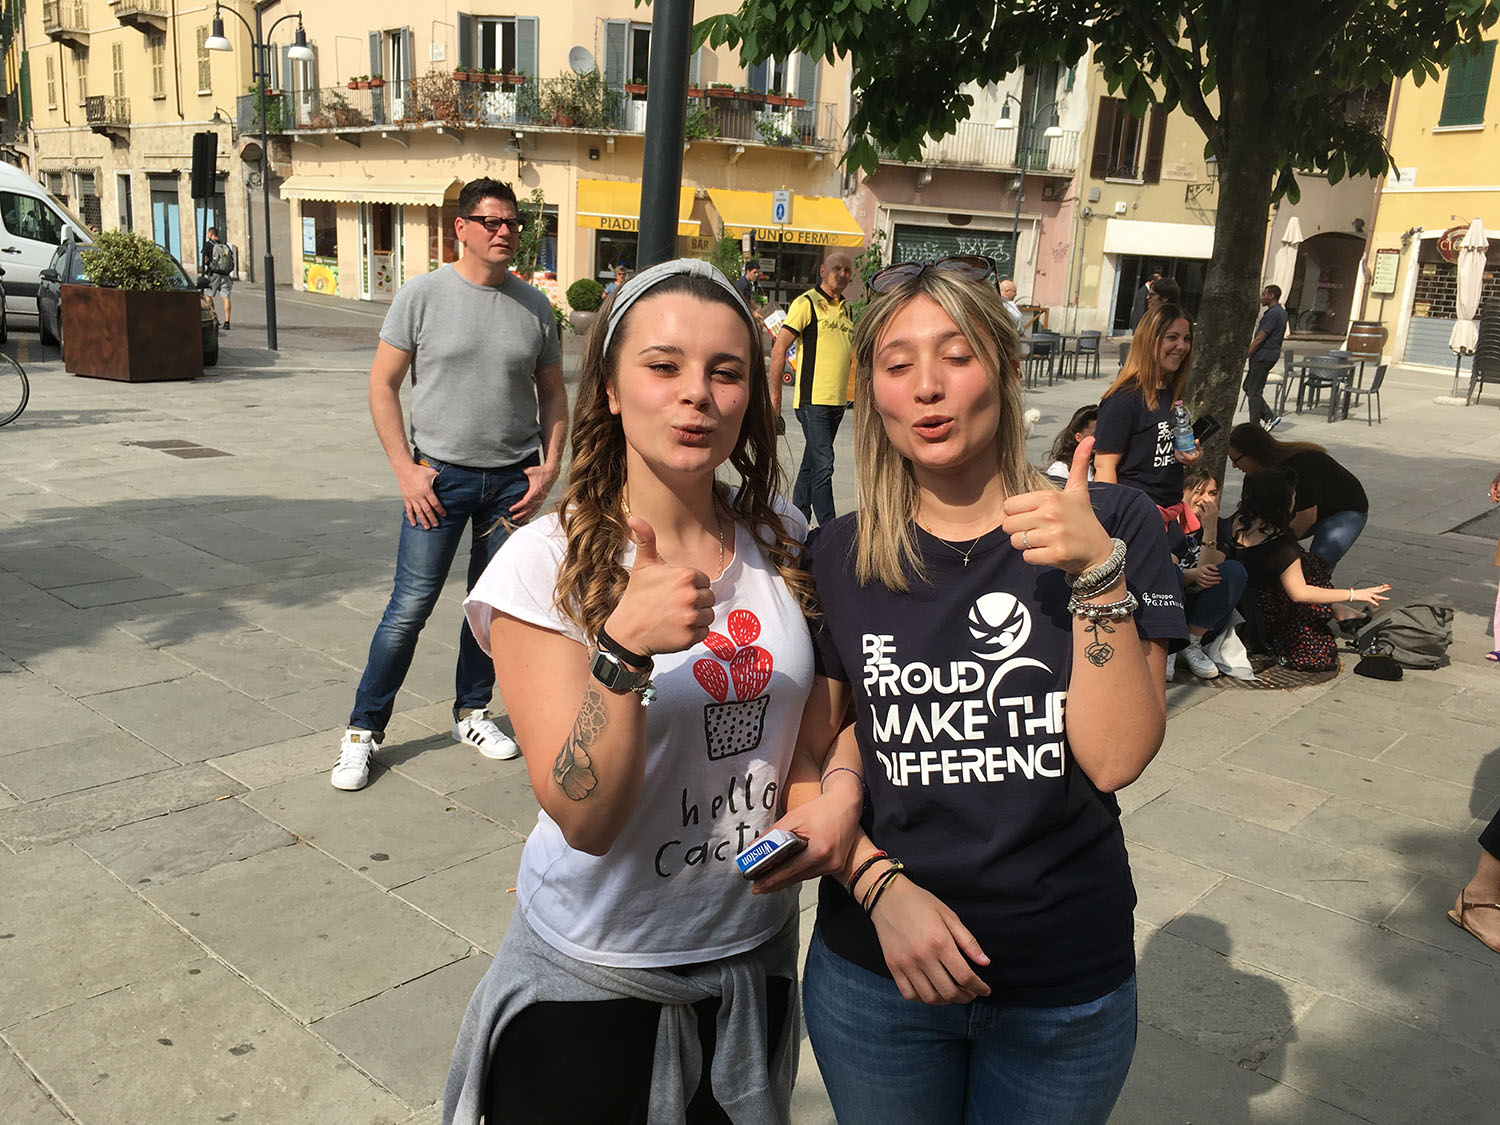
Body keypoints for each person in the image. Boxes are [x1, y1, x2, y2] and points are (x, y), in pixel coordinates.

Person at [441, 258, 836, 1124]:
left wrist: (826, 802)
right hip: (593, 982)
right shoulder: (541, 564)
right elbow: (583, 817)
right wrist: (622, 648)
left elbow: (810, 735)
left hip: (753, 961)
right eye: (664, 366)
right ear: (612, 391)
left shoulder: (784, 537)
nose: (697, 393)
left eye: (726, 372)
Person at [792, 259, 1186, 1123]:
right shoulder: (840, 555)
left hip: (1061, 983)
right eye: (897, 364)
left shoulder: (1115, 523)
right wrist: (880, 889)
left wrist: (1097, 574)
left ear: (1006, 369)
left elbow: (1116, 756)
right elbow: (812, 761)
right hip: (878, 978)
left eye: (957, 354)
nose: (927, 387)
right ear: (870, 393)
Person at [331, 177, 567, 792]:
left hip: (512, 482)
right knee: (409, 607)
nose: (505, 232)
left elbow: (552, 394)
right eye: (492, 221)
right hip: (438, 479)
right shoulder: (423, 296)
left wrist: (549, 467)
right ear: (461, 228)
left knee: (489, 608)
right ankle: (362, 730)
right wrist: (404, 470)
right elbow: (382, 385)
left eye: (512, 222)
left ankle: (472, 712)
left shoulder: (534, 306)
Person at [1224, 469, 1389, 672]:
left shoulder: (1238, 520)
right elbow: (1300, 593)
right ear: (1284, 501)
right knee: (1315, 653)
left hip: (1238, 597)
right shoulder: (1281, 544)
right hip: (1261, 612)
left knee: (1306, 563)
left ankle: (1338, 609)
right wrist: (1355, 594)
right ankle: (1338, 609)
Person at [1225, 423, 1370, 628]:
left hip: (1344, 510)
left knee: (1316, 563)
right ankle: (1337, 610)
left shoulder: (1303, 464)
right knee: (1283, 567)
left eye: (1236, 459)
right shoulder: (1253, 477)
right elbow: (1249, 514)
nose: (1234, 466)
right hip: (1303, 514)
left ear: (1255, 453)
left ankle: (1319, 614)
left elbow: (1306, 518)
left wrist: (1279, 553)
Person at [769, 250, 856, 527]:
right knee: (824, 465)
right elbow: (779, 349)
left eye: (847, 270)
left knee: (812, 466)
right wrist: (774, 400)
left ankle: (796, 522)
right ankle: (831, 529)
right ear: (822, 271)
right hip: (813, 401)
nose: (842, 274)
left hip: (837, 402)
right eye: (836, 268)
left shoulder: (848, 308)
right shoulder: (806, 303)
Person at [1093, 301, 1200, 514]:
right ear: (1149, 340)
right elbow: (1104, 467)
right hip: (1135, 516)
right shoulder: (1123, 399)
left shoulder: (1170, 392)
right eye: (1172, 337)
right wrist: (1114, 522)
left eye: (1186, 338)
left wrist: (1189, 454)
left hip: (1169, 514)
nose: (1182, 346)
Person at [1168, 469, 1247, 679]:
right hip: (1171, 604)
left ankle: (1191, 643)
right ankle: (1169, 644)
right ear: (1182, 492)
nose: (1206, 499)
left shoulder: (1219, 526)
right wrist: (1190, 575)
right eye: (1199, 491)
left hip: (1203, 612)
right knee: (1172, 573)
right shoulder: (1167, 523)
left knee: (1234, 571)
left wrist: (1210, 529)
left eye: (1212, 493)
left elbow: (1207, 573)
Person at [1243, 285, 1288, 427]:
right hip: (1267, 355)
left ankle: (1254, 426)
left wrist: (1247, 354)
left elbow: (1260, 338)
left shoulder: (1273, 314)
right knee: (1248, 386)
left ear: (1271, 296)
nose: (1261, 298)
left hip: (1263, 355)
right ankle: (1269, 416)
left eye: (1264, 295)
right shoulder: (1280, 312)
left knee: (1254, 391)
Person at [1045, 403, 1099, 480]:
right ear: (1079, 437)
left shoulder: (1104, 465)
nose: (1103, 438)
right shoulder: (1060, 471)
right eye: (1096, 434)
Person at [202, 226, 236, 331]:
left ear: (211, 234)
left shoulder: (208, 245)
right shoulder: (225, 245)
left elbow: (205, 259)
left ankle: (214, 317)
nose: (207, 235)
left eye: (208, 233)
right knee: (226, 297)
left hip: (214, 274)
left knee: (207, 295)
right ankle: (227, 322)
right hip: (225, 274)